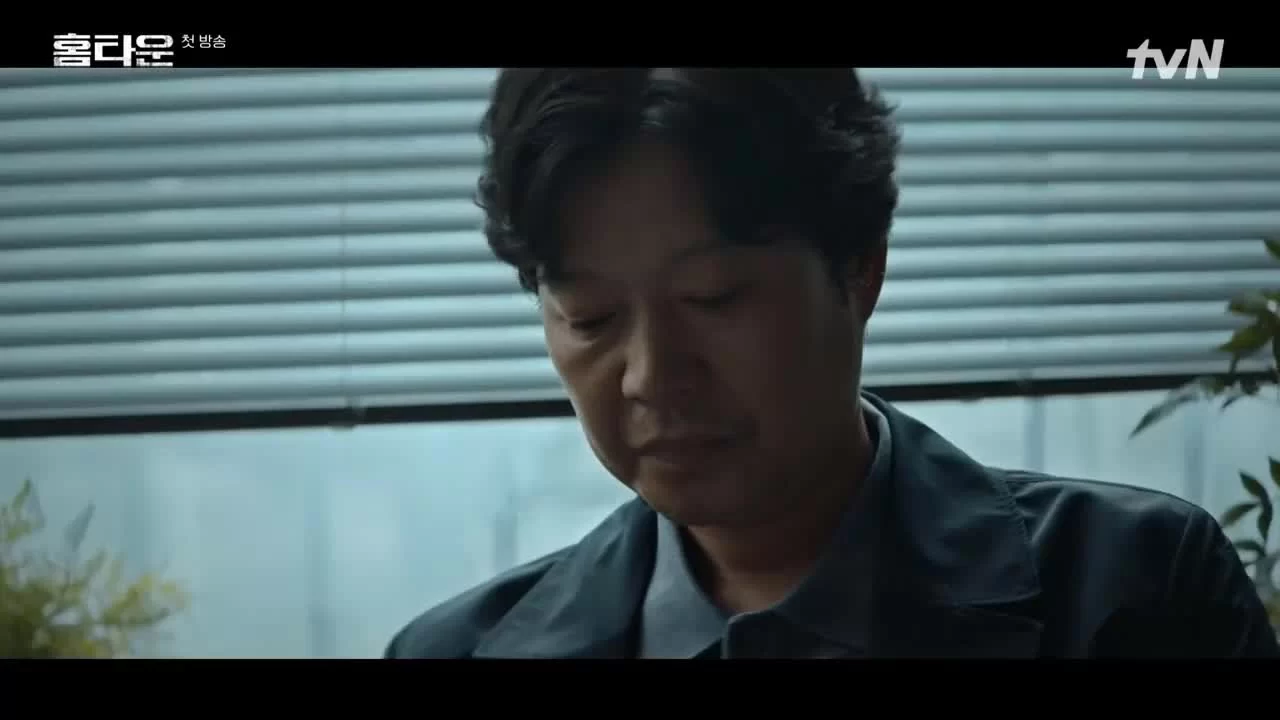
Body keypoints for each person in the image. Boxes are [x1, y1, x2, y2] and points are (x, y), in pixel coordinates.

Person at [384, 68, 1279, 658]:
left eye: (715, 299)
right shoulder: (454, 651)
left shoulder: (1136, 590)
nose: (651, 376)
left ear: (859, 267)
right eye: (591, 317)